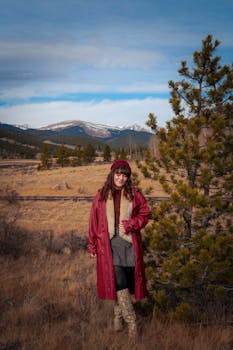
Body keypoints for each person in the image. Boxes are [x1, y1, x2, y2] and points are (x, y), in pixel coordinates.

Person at [87, 160, 150, 339]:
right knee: (119, 280)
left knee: (125, 284)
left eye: (125, 175)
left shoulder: (134, 194)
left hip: (128, 243)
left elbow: (145, 214)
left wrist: (131, 224)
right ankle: (132, 324)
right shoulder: (101, 195)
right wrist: (91, 244)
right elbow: (93, 221)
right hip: (108, 244)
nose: (121, 178)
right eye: (118, 174)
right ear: (112, 173)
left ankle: (117, 317)